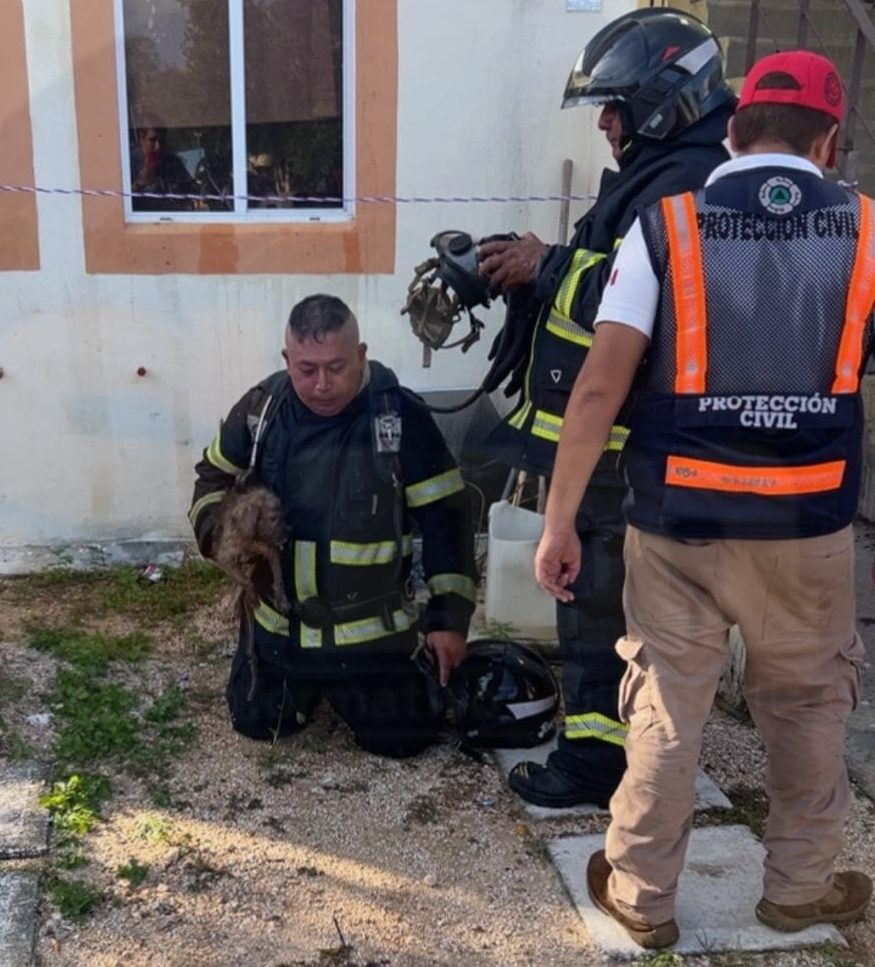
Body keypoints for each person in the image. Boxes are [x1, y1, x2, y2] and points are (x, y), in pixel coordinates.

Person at [535, 50, 873, 948]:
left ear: (731, 129)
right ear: (830, 142)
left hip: (677, 522)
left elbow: (600, 387)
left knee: (663, 708)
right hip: (807, 527)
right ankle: (799, 888)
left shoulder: (667, 227)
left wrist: (560, 518)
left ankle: (642, 896)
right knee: (805, 708)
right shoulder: (868, 233)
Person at [476, 8, 734, 808]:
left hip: (622, 447)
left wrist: (546, 265)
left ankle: (597, 758)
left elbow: (644, 307)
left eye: (614, 106)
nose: (604, 121)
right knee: (592, 599)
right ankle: (613, 745)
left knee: (596, 604)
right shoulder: (660, 173)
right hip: (604, 444)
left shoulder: (686, 183)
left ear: (661, 101)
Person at [189, 295, 477, 758]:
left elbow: (448, 518)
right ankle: (284, 681)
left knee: (404, 741)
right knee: (258, 722)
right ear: (287, 360)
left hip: (372, 642)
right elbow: (211, 477)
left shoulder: (400, 419)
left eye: (337, 367)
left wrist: (449, 620)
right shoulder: (262, 412)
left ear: (361, 355)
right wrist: (220, 532)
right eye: (306, 369)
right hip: (280, 634)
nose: (322, 384)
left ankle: (387, 683)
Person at [130, 126, 198, 212]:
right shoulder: (128, 163)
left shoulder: (172, 162)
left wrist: (181, 187)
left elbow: (193, 193)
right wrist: (139, 184)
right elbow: (119, 201)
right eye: (152, 140)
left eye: (162, 141)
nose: (158, 147)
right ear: (141, 139)